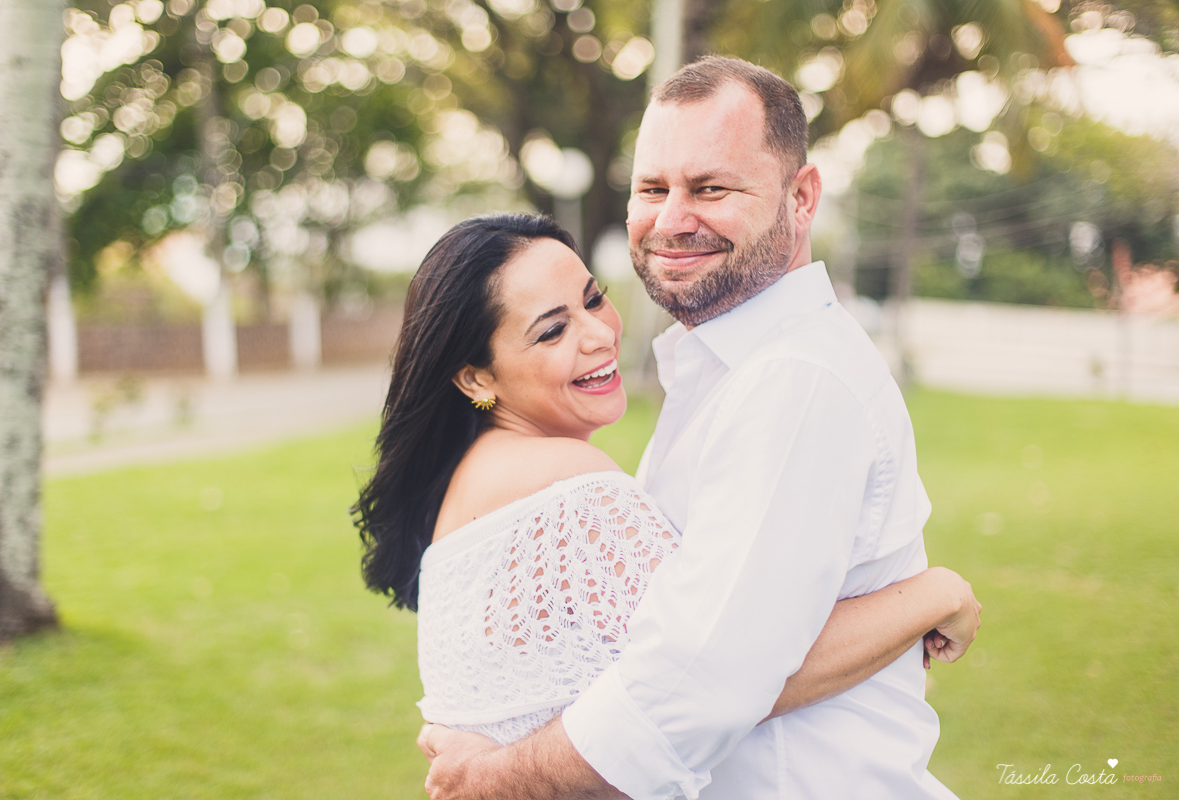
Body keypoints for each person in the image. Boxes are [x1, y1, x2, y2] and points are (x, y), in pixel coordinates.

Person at [415, 58, 972, 799]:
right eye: (652, 189)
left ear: (800, 198)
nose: (672, 220)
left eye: (711, 188)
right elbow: (699, 655)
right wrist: (929, 596)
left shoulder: (792, 380)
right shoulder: (719, 367)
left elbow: (700, 682)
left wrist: (496, 779)